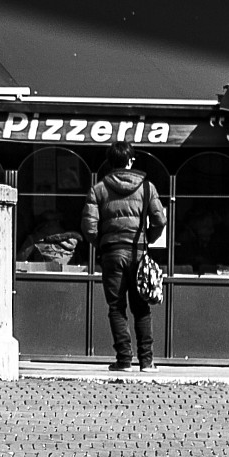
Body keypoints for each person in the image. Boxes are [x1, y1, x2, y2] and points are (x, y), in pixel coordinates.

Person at [82, 144, 165, 371]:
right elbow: (160, 220)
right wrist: (148, 239)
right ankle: (146, 361)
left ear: (110, 162)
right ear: (130, 161)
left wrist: (102, 243)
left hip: (112, 254)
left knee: (116, 307)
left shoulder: (98, 189)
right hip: (138, 253)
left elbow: (89, 227)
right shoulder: (147, 188)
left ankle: (124, 360)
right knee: (141, 307)